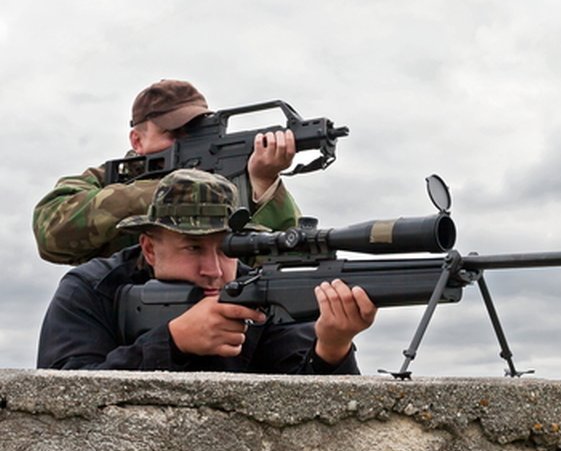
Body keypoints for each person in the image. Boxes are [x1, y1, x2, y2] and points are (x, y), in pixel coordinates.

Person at [37, 169, 377, 373]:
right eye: (193, 248)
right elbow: (61, 398)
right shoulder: (92, 289)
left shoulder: (261, 292)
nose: (213, 270)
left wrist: (333, 348)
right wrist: (172, 342)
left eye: (226, 249)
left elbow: (313, 406)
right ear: (150, 248)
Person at [33, 79, 301, 265]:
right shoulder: (104, 180)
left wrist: (264, 183)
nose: (185, 142)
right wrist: (167, 193)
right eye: (171, 133)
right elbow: (50, 234)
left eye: (194, 132)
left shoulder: (233, 184)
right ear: (137, 141)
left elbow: (289, 253)